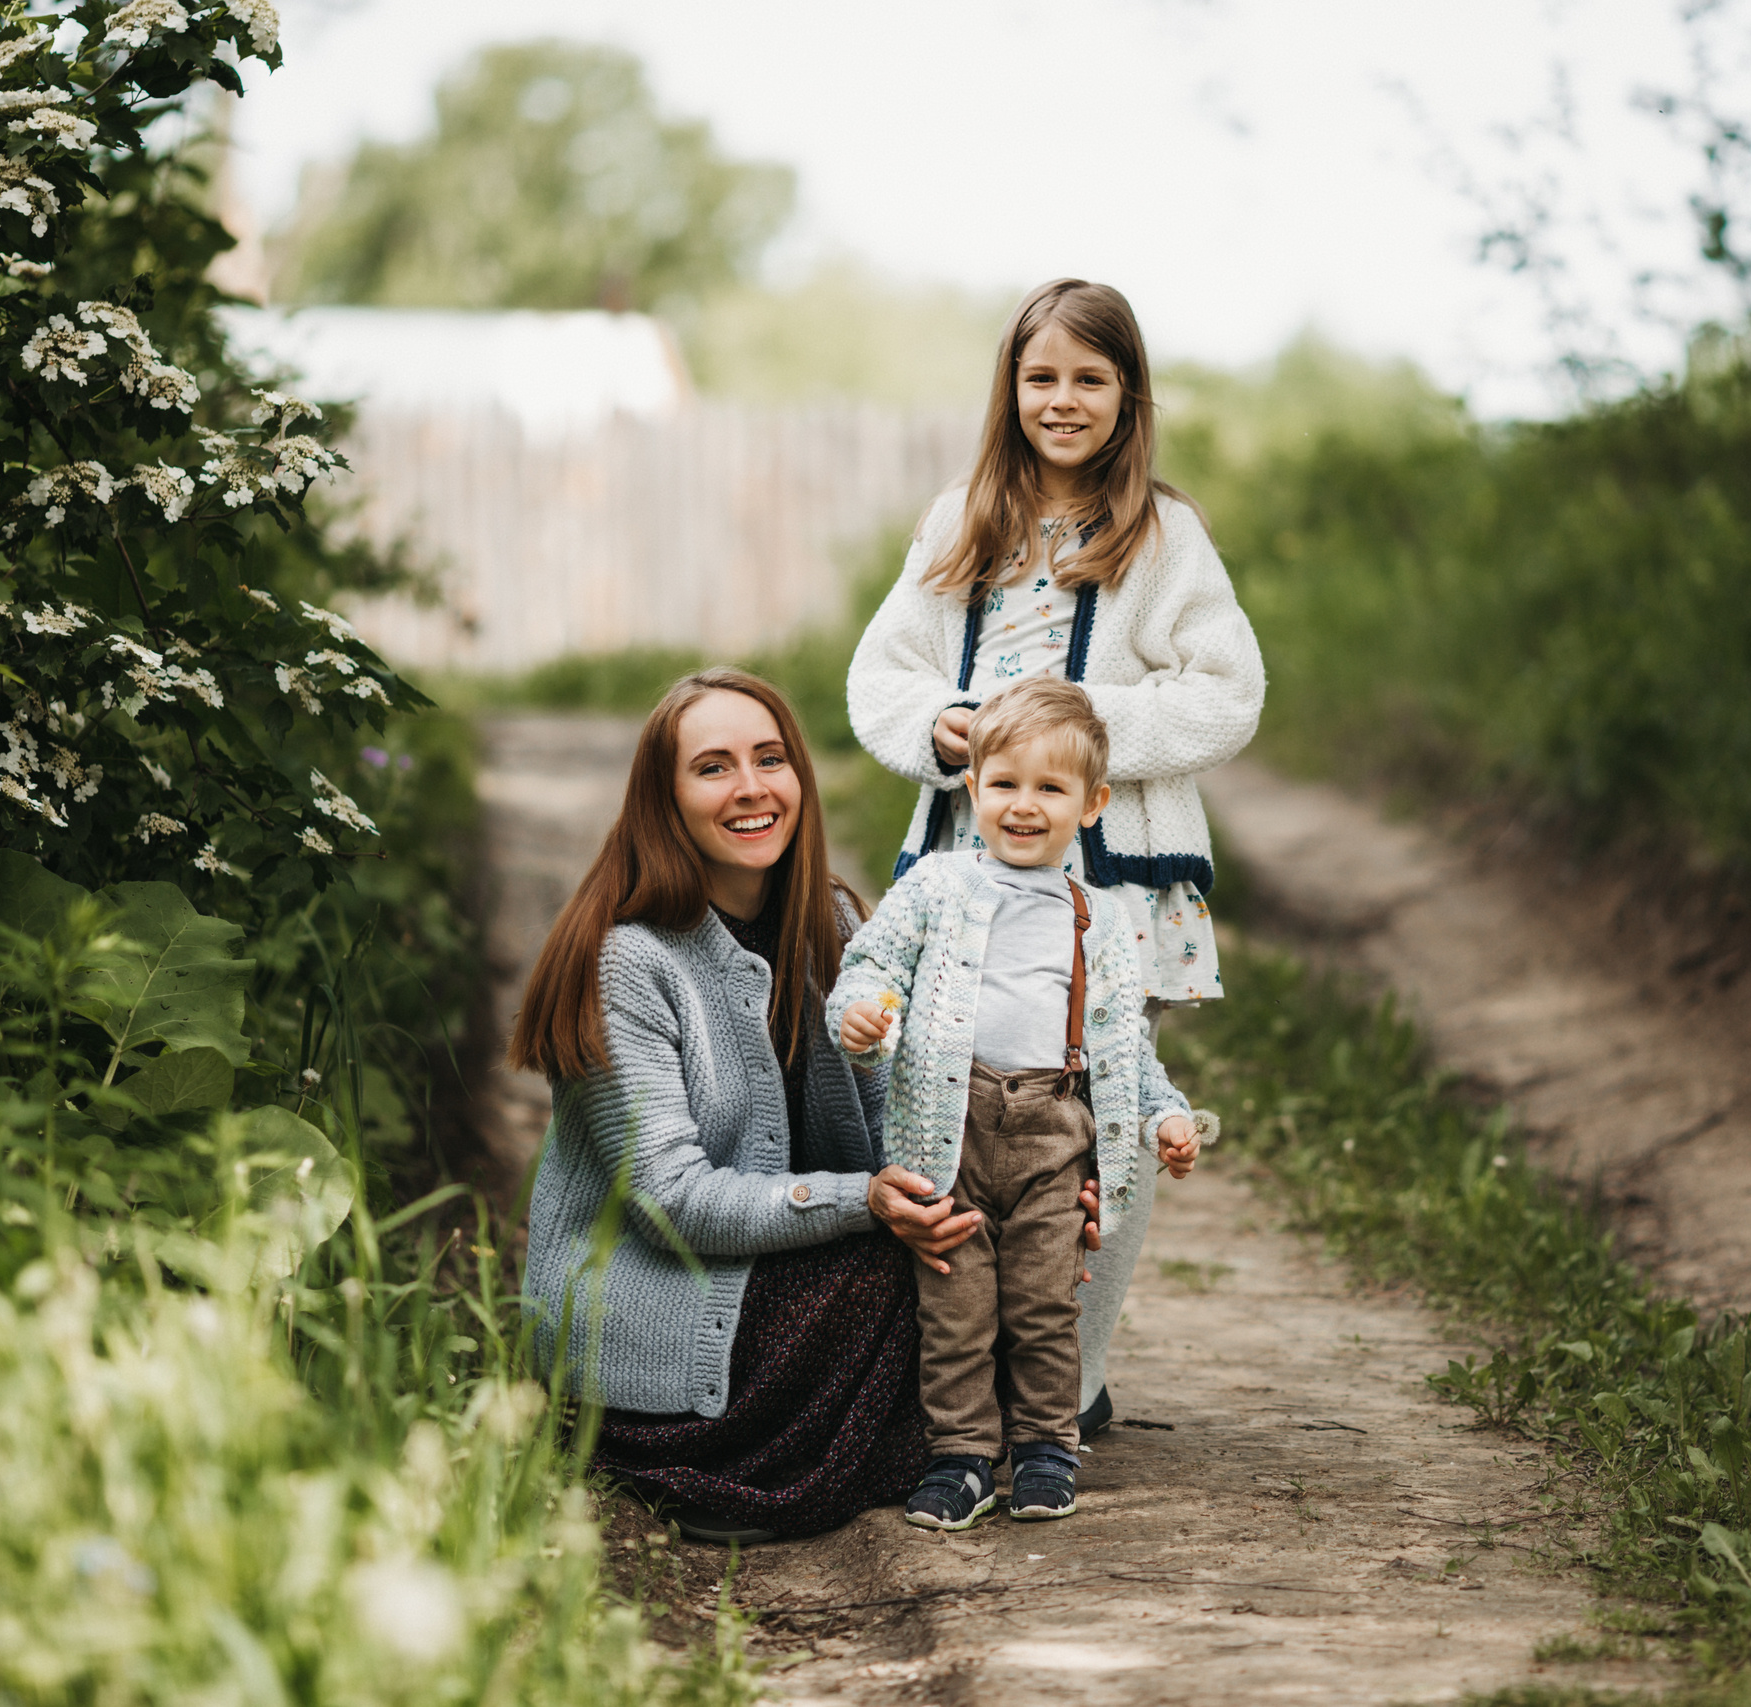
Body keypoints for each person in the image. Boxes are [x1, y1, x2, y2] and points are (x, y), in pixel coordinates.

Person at [508, 668, 1066, 1545]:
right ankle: (784, 1464)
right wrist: (863, 1202)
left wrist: (1033, 1183)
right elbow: (675, 1203)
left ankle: (924, 1440)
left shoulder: (835, 928)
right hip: (658, 1341)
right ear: (664, 797)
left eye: (770, 758)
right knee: (900, 1281)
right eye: (713, 767)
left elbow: (907, 1122)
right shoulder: (629, 962)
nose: (751, 788)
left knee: (987, 1247)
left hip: (784, 1286)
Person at [845, 277, 1265, 1436]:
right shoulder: (960, 519)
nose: (1062, 400)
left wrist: (1074, 739)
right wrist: (938, 729)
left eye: (1089, 378)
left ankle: (1062, 1378)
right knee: (951, 1109)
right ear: (1011, 388)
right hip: (967, 884)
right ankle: (952, 1379)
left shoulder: (1164, 539)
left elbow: (1229, 694)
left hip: (1110, 889)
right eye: (1041, 378)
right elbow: (879, 672)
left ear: (1127, 394)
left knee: (1098, 1120)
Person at [830, 678, 1200, 1528]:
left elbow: (1122, 1047)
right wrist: (858, 1013)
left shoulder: (1100, 918)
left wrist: (1165, 1113)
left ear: (1093, 803)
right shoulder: (936, 886)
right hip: (948, 1128)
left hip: (1053, 1134)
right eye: (1003, 784)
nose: (1023, 806)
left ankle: (1044, 1446)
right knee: (954, 1303)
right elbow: (872, 968)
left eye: (1050, 788)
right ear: (972, 789)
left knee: (1042, 1302)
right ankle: (961, 1457)